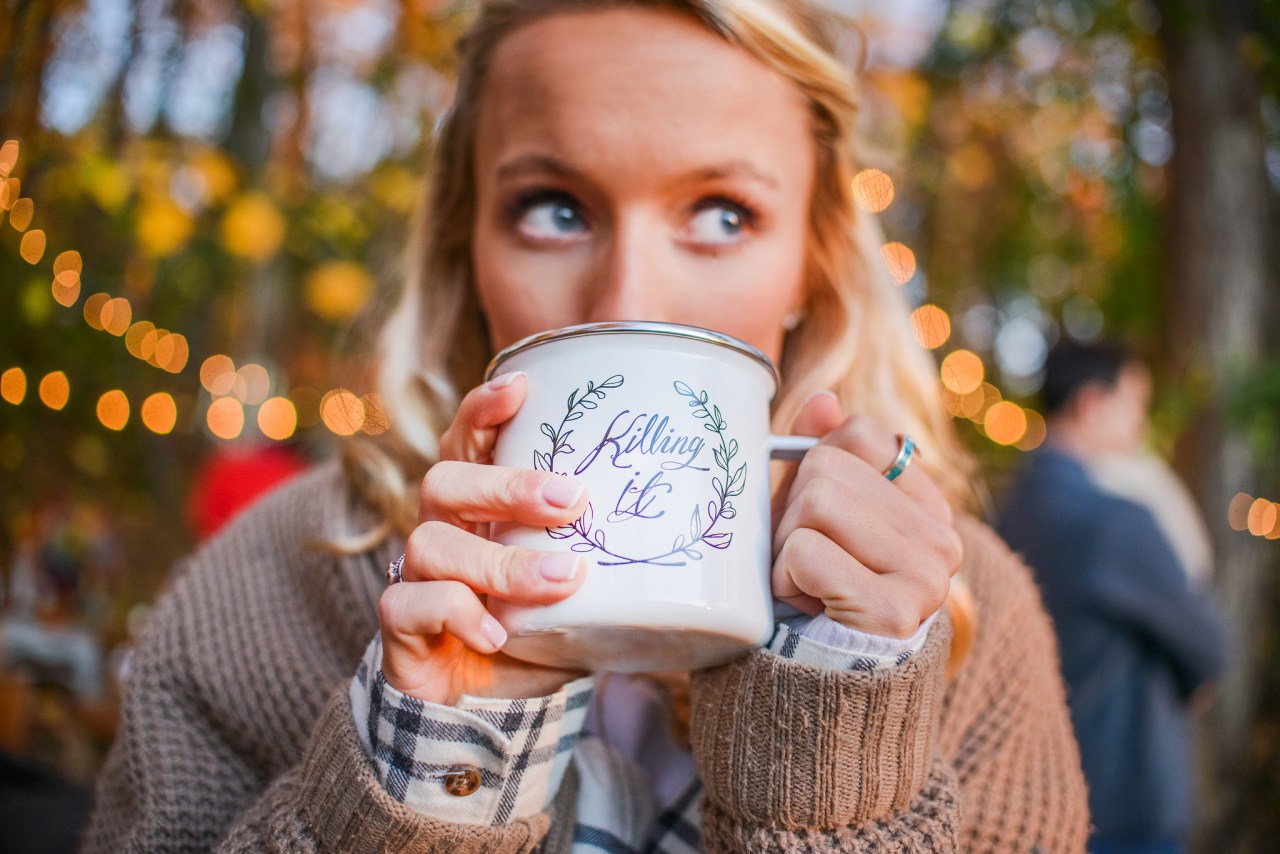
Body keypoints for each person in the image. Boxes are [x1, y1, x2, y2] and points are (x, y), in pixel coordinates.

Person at [81, 1, 1090, 850]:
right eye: (553, 209)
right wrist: (425, 763)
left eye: (723, 213)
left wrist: (836, 740)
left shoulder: (966, 617)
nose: (626, 297)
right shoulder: (266, 585)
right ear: (463, 246)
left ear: (809, 264)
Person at [997, 338, 1226, 854]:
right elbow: (1210, 649)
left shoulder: (1004, 516)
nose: (1139, 428)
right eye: (1134, 407)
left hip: (1025, 803)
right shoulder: (1121, 522)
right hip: (1127, 807)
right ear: (1092, 405)